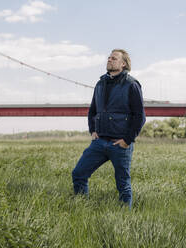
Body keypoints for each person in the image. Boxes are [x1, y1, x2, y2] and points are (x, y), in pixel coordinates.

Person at [72, 49, 146, 208]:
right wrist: (92, 130)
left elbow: (139, 116)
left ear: (123, 63)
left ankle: (124, 219)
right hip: (99, 142)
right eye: (109, 57)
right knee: (78, 174)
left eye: (114, 58)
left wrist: (127, 141)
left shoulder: (131, 84)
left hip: (119, 144)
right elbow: (93, 110)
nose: (109, 60)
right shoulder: (100, 84)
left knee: (123, 185)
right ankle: (81, 209)